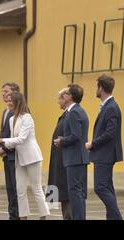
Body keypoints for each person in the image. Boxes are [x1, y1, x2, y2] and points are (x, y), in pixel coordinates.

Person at [0, 92, 50, 220]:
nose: (8, 103)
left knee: (36, 188)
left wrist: (1, 140)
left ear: (18, 102)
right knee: (20, 190)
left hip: (33, 158)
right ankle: (23, 217)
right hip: (19, 159)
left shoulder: (27, 117)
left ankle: (43, 216)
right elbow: (14, 140)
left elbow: (21, 139)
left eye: (11, 101)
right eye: (8, 101)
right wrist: (2, 148)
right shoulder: (11, 119)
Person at [85, 75, 123, 220]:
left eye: (97, 87)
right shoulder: (108, 106)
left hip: (105, 155)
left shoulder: (111, 107)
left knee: (100, 188)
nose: (96, 90)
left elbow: (110, 133)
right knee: (107, 188)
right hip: (105, 154)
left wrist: (92, 144)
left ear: (101, 88)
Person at [54, 84, 89, 220]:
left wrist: (61, 140)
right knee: (77, 192)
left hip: (75, 157)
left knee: (75, 192)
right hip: (77, 157)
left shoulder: (74, 112)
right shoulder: (77, 111)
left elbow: (76, 135)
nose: (63, 96)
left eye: (66, 93)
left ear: (70, 97)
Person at [46, 88, 72, 220]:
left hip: (65, 161)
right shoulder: (65, 114)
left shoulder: (72, 114)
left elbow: (75, 136)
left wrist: (61, 140)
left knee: (66, 193)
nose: (58, 102)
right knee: (61, 192)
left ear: (66, 98)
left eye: (59, 99)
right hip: (60, 160)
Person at [0, 82, 20, 220]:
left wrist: (4, 146)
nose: (3, 94)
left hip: (16, 156)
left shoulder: (19, 110)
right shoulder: (5, 111)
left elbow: (18, 136)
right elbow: (4, 132)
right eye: (3, 91)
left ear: (14, 93)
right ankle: (13, 216)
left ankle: (18, 215)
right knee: (10, 189)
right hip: (7, 156)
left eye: (6, 91)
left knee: (17, 189)